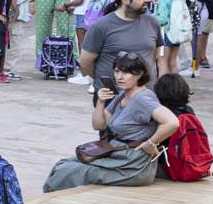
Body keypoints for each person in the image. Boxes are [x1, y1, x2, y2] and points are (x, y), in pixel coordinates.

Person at [42, 53, 179, 191]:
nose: (120, 77)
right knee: (63, 164)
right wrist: (101, 102)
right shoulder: (123, 94)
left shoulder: (142, 98)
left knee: (70, 171)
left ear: (139, 74)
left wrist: (151, 142)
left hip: (134, 165)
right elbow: (98, 125)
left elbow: (172, 122)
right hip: (119, 155)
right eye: (117, 71)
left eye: (126, 72)